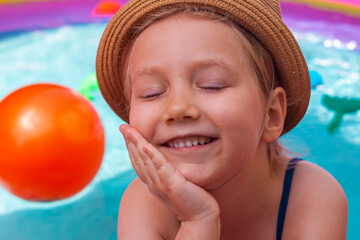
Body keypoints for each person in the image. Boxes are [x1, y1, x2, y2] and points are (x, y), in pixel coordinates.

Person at [95, 0, 348, 239]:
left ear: (271, 115)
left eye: (211, 85)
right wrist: (198, 223)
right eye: (152, 92)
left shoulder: (311, 197)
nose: (178, 108)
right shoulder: (144, 205)